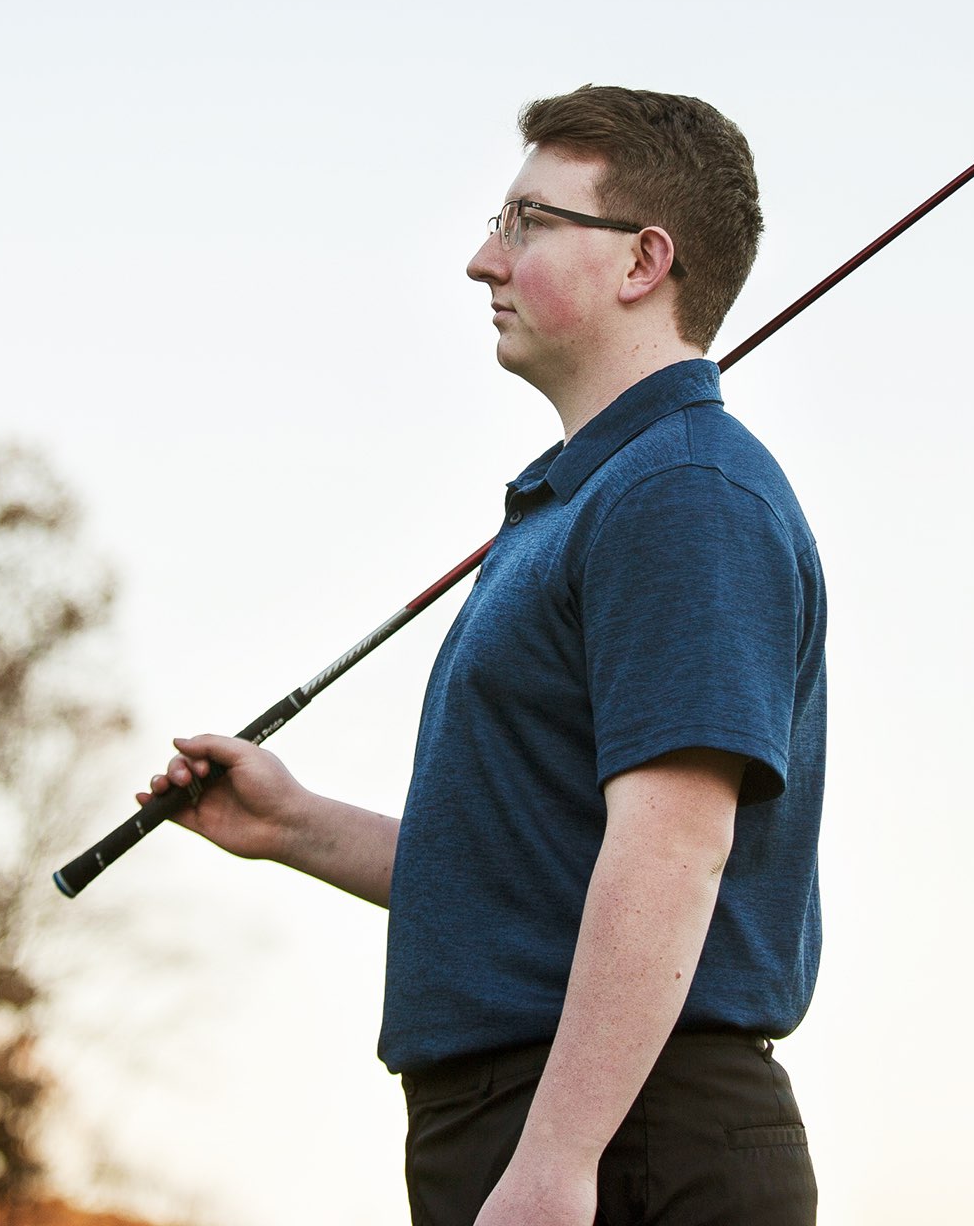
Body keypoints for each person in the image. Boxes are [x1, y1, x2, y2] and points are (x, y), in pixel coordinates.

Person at [142, 86, 826, 1225]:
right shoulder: (595, 498)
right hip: (555, 1123)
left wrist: (559, 1161)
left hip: (626, 1136)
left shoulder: (681, 489)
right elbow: (538, 874)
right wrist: (297, 825)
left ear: (643, 260)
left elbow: (671, 850)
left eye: (525, 223)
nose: (479, 259)